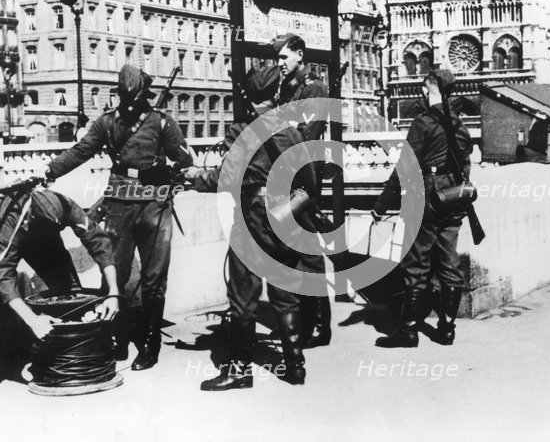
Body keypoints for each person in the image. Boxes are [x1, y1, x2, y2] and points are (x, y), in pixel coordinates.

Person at [41, 64, 193, 371]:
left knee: (153, 279)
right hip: (118, 205)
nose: (129, 105)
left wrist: (170, 178)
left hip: (155, 205)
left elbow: (185, 161)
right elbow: (80, 151)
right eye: (125, 98)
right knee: (116, 274)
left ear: (144, 96)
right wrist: (50, 170)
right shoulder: (107, 123)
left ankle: (150, 343)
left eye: (134, 99)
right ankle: (118, 338)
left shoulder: (163, 122)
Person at [183, 73, 317, 391]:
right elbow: (309, 181)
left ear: (248, 96)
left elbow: (226, 178)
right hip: (285, 216)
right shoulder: (290, 131)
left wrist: (193, 176)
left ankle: (240, 372)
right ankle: (295, 368)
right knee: (285, 295)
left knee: (243, 298)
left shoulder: (243, 131)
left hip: (252, 217)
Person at [372, 69, 473, 348]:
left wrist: (382, 205)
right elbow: (466, 166)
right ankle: (447, 329)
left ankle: (408, 331)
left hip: (427, 195)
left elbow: (405, 167)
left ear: (429, 91)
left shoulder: (423, 123)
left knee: (417, 263)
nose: (422, 94)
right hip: (453, 195)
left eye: (425, 90)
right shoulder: (460, 125)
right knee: (449, 261)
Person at [0, 182, 118, 381]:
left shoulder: (65, 204)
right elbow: (4, 274)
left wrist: (114, 292)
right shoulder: (14, 220)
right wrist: (33, 320)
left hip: (41, 238)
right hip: (11, 233)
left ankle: (68, 349)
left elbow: (99, 241)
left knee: (67, 291)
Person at [271, 33, 332, 349]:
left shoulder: (314, 89)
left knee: (308, 252)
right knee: (290, 249)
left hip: (304, 178)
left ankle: (320, 326)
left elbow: (306, 136)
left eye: (283, 57)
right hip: (285, 176)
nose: (279, 63)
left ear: (299, 54)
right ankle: (300, 321)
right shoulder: (288, 89)